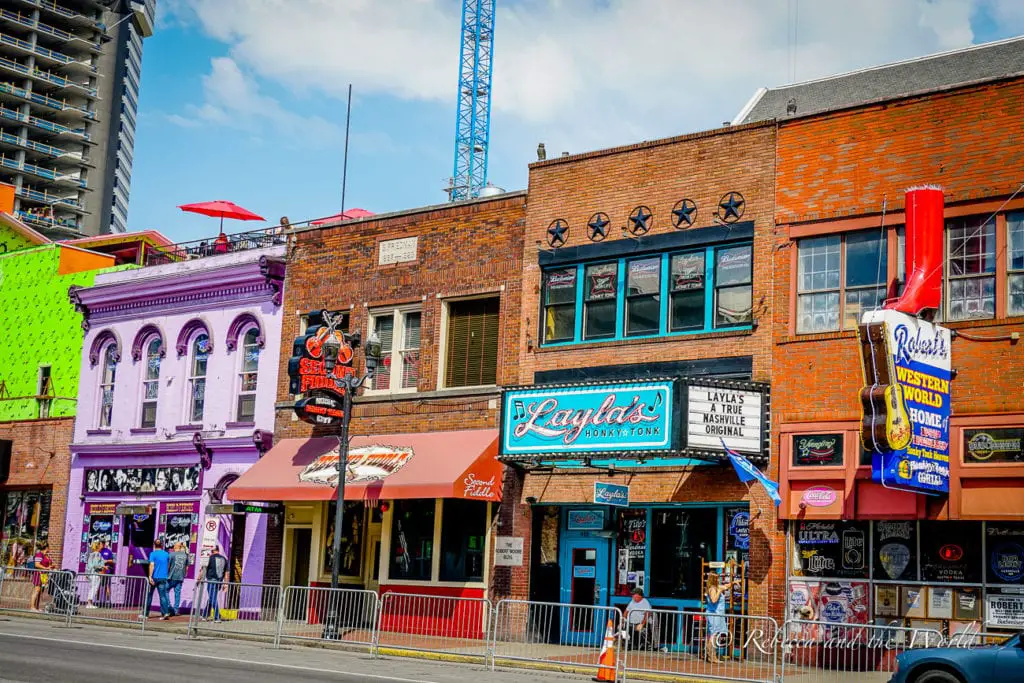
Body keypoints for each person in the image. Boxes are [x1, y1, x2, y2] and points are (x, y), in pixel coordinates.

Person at [705, 572, 741, 664]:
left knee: (714, 635)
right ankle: (712, 656)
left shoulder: (717, 587)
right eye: (717, 578)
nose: (718, 580)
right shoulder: (713, 589)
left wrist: (734, 582)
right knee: (713, 635)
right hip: (714, 615)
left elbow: (726, 586)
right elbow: (713, 600)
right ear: (713, 579)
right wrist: (720, 592)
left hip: (718, 614)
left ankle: (711, 656)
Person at [147, 539, 172, 620]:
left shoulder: (153, 554)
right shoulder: (166, 554)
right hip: (163, 577)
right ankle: (165, 613)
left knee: (149, 595)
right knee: (163, 596)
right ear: (162, 545)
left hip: (154, 577)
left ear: (154, 545)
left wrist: (150, 576)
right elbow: (168, 566)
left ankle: (145, 614)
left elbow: (151, 565)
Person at [203, 545, 228, 622]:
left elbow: (204, 568)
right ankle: (205, 615)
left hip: (211, 580)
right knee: (212, 597)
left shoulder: (210, 558)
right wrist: (225, 584)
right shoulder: (224, 559)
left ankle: (217, 617)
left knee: (212, 598)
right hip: (219, 582)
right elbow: (226, 573)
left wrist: (199, 578)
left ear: (213, 551)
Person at [29, 542, 52, 612]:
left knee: (39, 592)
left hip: (43, 575)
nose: (49, 549)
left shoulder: (44, 555)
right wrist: (45, 568)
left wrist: (50, 566)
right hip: (38, 574)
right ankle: (32, 607)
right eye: (49, 547)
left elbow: (48, 563)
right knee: (36, 590)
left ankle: (36, 607)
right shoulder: (39, 555)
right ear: (47, 547)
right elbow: (37, 564)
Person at [167, 542, 188, 617]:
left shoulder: (171, 554)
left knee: (165, 591)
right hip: (180, 577)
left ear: (175, 547)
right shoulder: (185, 555)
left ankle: (169, 608)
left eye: (174, 546)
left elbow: (168, 566)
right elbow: (186, 567)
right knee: (177, 594)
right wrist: (184, 575)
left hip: (171, 577)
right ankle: (176, 610)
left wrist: (166, 575)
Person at [85, 541, 104, 609]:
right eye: (100, 544)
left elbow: (89, 565)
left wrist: (87, 574)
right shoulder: (97, 554)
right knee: (94, 588)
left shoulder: (91, 554)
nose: (102, 546)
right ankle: (89, 603)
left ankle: (89, 603)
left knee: (92, 587)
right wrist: (103, 567)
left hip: (91, 574)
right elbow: (96, 565)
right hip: (95, 573)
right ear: (98, 546)